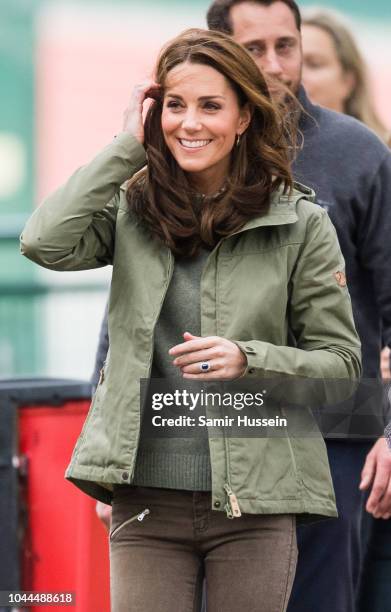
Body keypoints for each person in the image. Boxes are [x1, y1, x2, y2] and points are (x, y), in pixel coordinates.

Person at [20, 27, 362, 612]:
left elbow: (341, 367)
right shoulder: (133, 205)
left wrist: (248, 359)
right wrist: (128, 144)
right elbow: (43, 242)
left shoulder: (301, 223)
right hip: (145, 498)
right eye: (175, 106)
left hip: (256, 498)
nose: (190, 123)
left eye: (211, 106)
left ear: (243, 119)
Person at [206, 2, 391, 612]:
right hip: (209, 433)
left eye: (287, 45)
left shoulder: (360, 154)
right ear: (221, 50)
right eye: (254, 49)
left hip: (335, 432)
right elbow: (131, 309)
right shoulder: (188, 151)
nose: (276, 66)